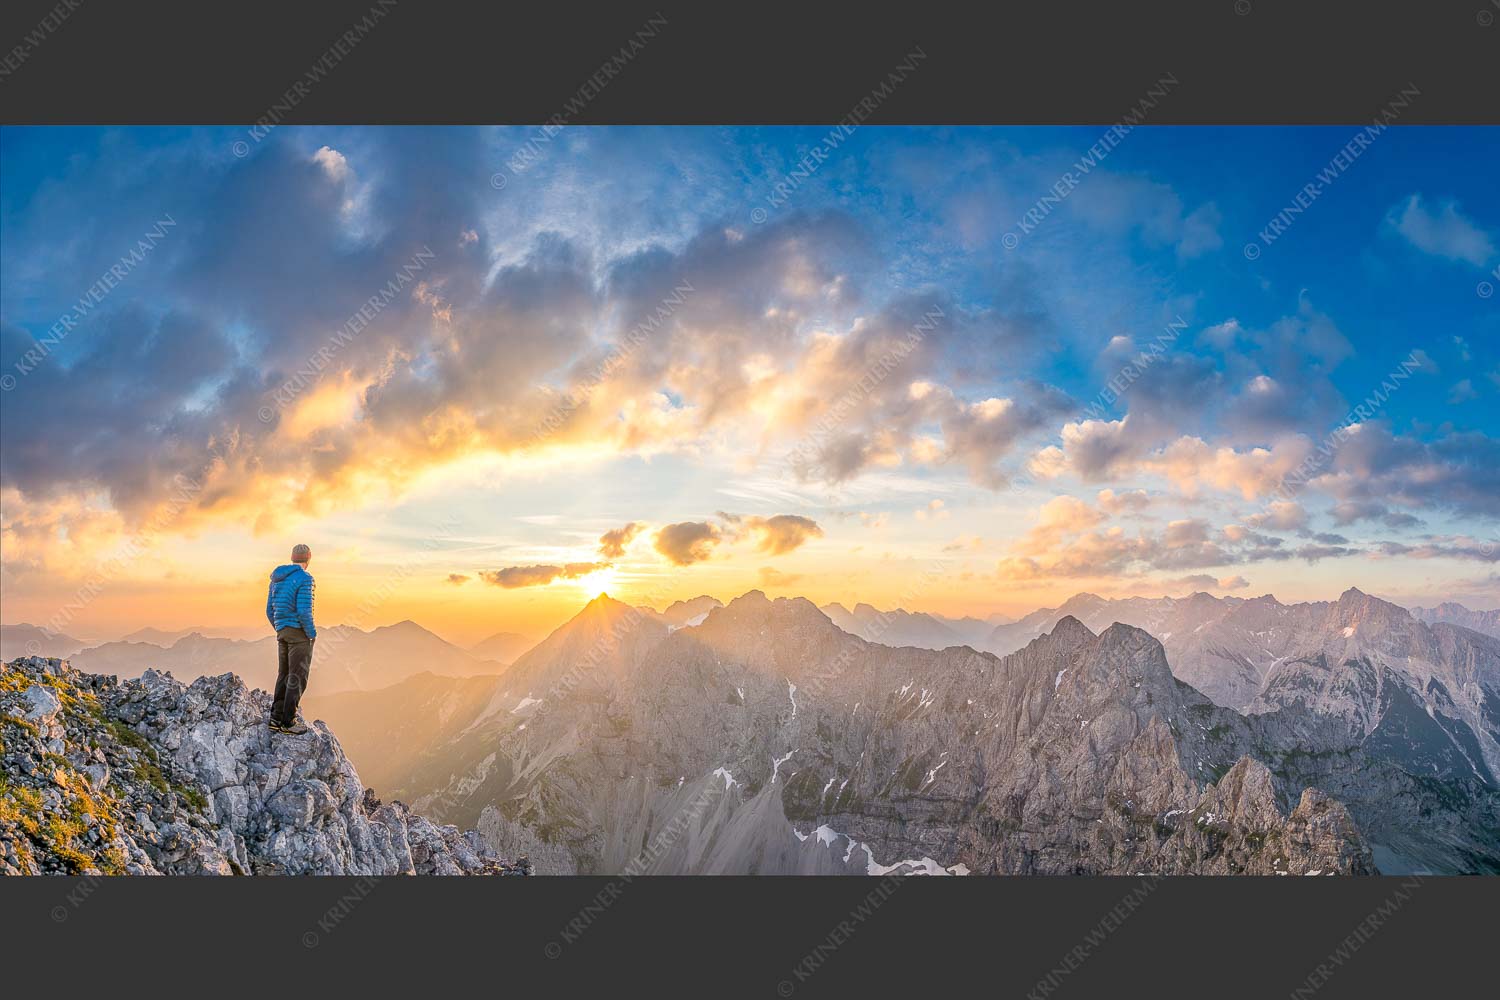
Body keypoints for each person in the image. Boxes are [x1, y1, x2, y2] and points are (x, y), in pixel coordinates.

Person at [265, 543, 317, 734]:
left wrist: (281, 628)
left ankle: (275, 718)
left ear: (292, 558)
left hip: (283, 632)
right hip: (299, 634)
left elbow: (269, 610)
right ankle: (288, 722)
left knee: (284, 675)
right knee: (297, 677)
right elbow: (304, 611)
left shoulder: (277, 579)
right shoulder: (306, 579)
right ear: (308, 559)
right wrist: (311, 634)